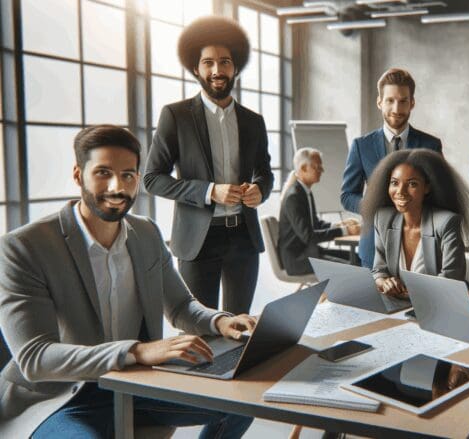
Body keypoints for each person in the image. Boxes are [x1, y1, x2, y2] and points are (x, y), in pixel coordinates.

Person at [0, 125, 256, 438]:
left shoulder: (146, 233)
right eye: (103, 173)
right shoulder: (24, 247)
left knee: (243, 403)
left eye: (127, 175)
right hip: (60, 397)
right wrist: (136, 352)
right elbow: (35, 357)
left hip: (134, 385)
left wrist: (220, 322)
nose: (116, 187)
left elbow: (180, 306)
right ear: (79, 175)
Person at [144, 16, 273, 314]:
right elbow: (151, 178)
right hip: (198, 240)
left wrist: (260, 190)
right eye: (209, 62)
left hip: (244, 237)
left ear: (235, 67)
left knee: (240, 324)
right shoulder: (176, 116)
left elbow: (265, 172)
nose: (217, 70)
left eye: (225, 62)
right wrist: (210, 191)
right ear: (196, 68)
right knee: (201, 330)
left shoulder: (254, 121)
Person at [341, 68, 443, 269]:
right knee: (371, 302)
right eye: (390, 100)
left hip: (420, 250)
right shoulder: (361, 146)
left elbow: (440, 196)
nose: (396, 108)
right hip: (373, 249)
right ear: (379, 102)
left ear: (412, 103)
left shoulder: (431, 145)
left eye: (403, 101)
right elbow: (347, 195)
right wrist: (375, 207)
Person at [360, 149, 469, 298]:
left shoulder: (447, 222)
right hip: (400, 307)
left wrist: (408, 294)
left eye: (412, 184)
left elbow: (451, 280)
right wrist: (385, 282)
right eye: (394, 183)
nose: (400, 191)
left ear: (427, 187)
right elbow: (379, 270)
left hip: (442, 304)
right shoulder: (382, 218)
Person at [279, 148, 361, 275]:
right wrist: (347, 231)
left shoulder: (304, 192)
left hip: (309, 252)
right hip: (298, 260)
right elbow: (309, 237)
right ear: (304, 168)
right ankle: (334, 294)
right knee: (353, 267)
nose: (322, 170)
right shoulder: (294, 197)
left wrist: (339, 225)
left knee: (358, 259)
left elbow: (314, 224)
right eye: (317, 167)